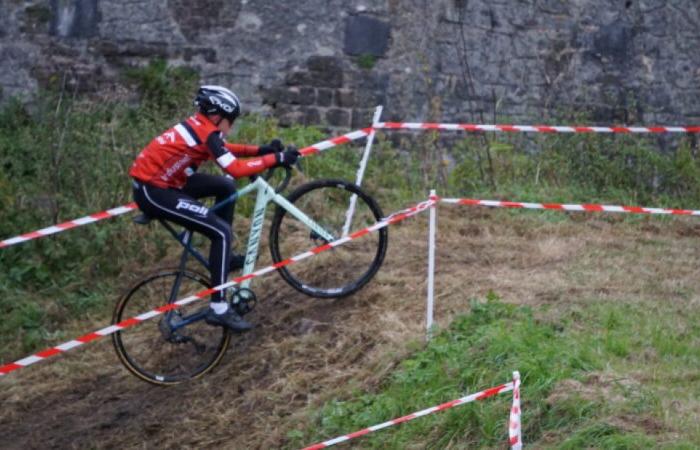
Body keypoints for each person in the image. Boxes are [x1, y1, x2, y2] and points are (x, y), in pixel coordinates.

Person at [129, 85, 300, 332]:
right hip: (154, 192)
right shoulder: (205, 131)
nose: (231, 126)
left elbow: (224, 150)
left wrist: (260, 151)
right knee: (221, 232)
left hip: (168, 182)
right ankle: (218, 308)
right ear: (217, 115)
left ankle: (224, 258)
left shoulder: (202, 127)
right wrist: (278, 159)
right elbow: (236, 169)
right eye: (230, 121)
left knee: (225, 187)